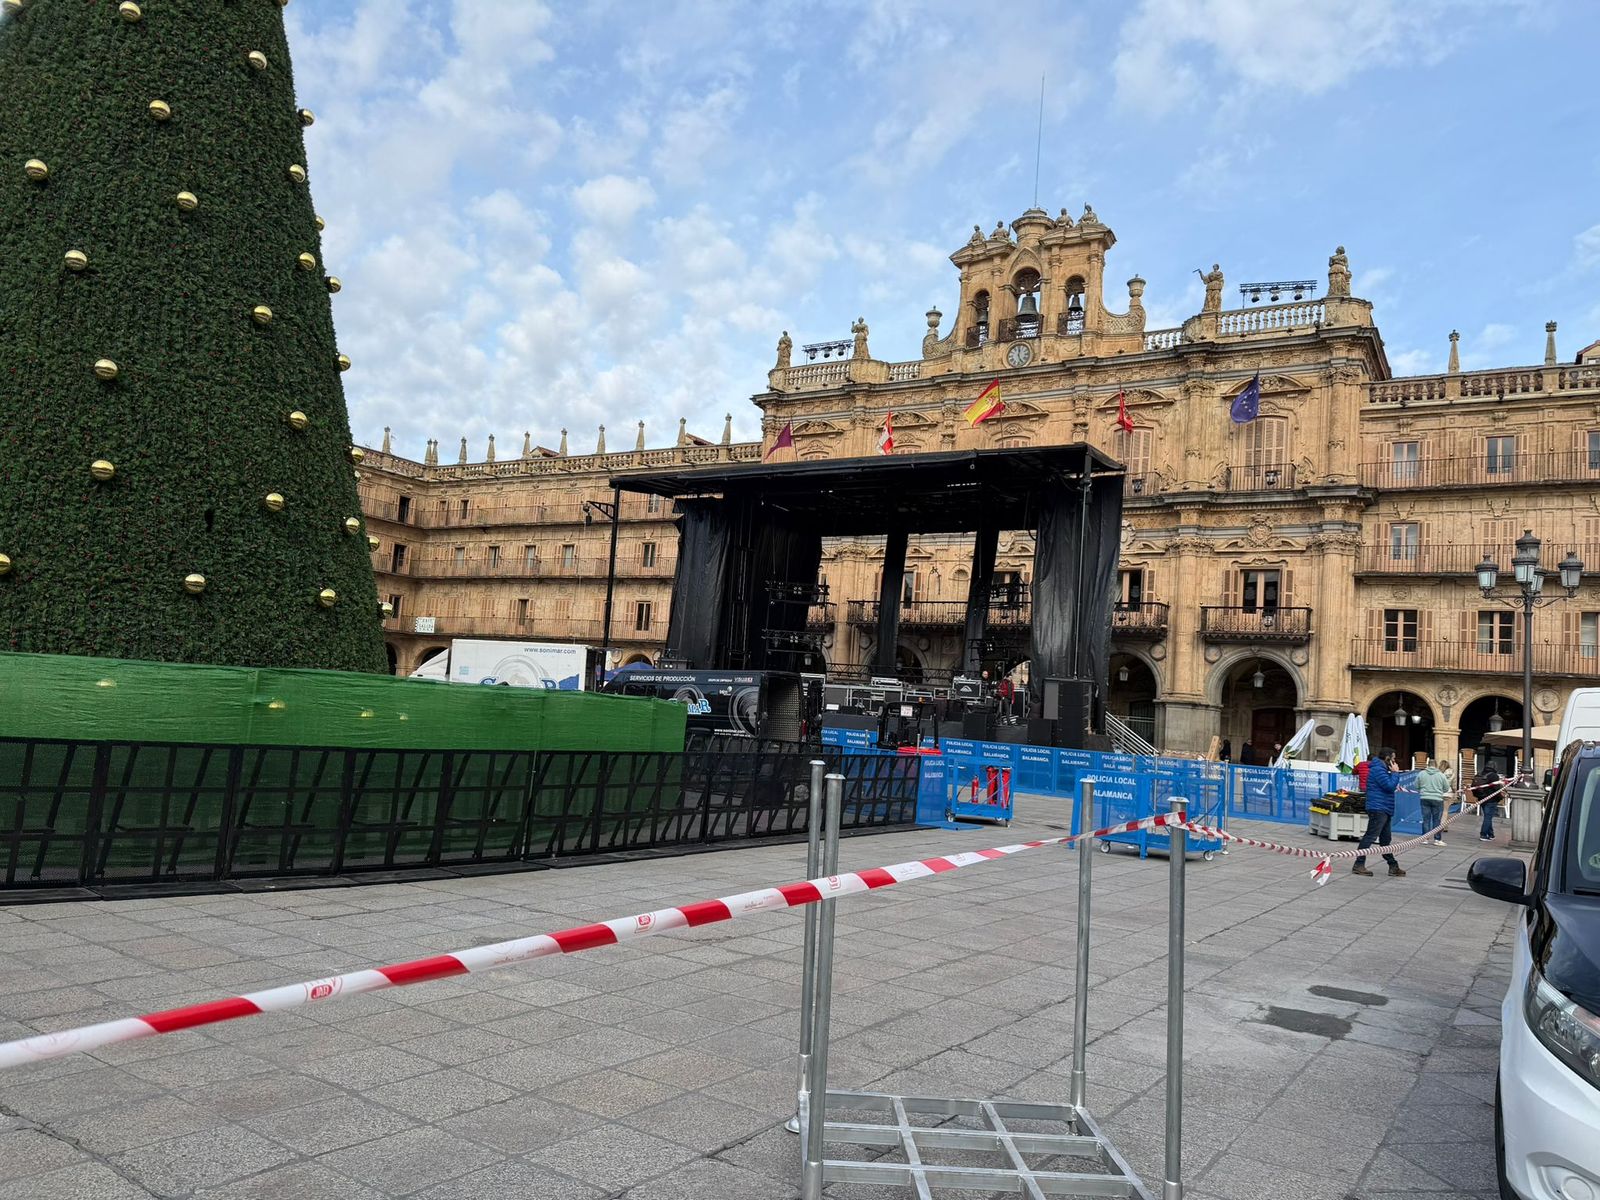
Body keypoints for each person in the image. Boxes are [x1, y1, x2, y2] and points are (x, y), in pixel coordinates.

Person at [1353, 749, 1406, 877]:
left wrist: (1392, 773)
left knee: (1385, 839)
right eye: (1393, 759)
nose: (1394, 762)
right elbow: (1389, 786)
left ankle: (1393, 866)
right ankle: (1359, 864)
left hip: (1384, 807)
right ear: (1387, 758)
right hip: (1378, 808)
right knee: (1370, 836)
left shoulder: (1382, 769)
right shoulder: (1378, 769)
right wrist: (1395, 773)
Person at [1417, 760, 1450, 846]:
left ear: (1428, 765)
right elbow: (1446, 788)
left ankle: (1424, 839)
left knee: (1426, 819)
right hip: (1437, 799)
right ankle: (1437, 839)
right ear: (1436, 765)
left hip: (1424, 798)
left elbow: (1416, 785)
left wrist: (1422, 790)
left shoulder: (1421, 774)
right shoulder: (1441, 775)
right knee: (1437, 820)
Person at [1474, 755, 1503, 842]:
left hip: (1481, 798)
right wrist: (1501, 797)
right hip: (1491, 799)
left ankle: (1491, 834)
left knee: (1487, 816)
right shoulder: (1493, 776)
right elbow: (1496, 788)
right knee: (1488, 817)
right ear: (1494, 767)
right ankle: (1483, 834)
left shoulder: (1480, 773)